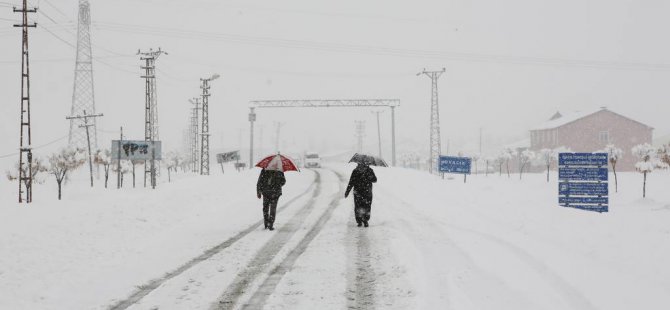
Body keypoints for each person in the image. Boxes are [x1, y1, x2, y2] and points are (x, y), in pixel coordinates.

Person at [344, 163, 377, 227]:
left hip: (358, 192)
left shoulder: (356, 171)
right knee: (367, 206)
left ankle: (359, 221)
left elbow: (351, 182)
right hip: (367, 192)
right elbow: (375, 180)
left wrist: (347, 191)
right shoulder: (369, 170)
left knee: (358, 206)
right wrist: (370, 176)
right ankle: (365, 220)